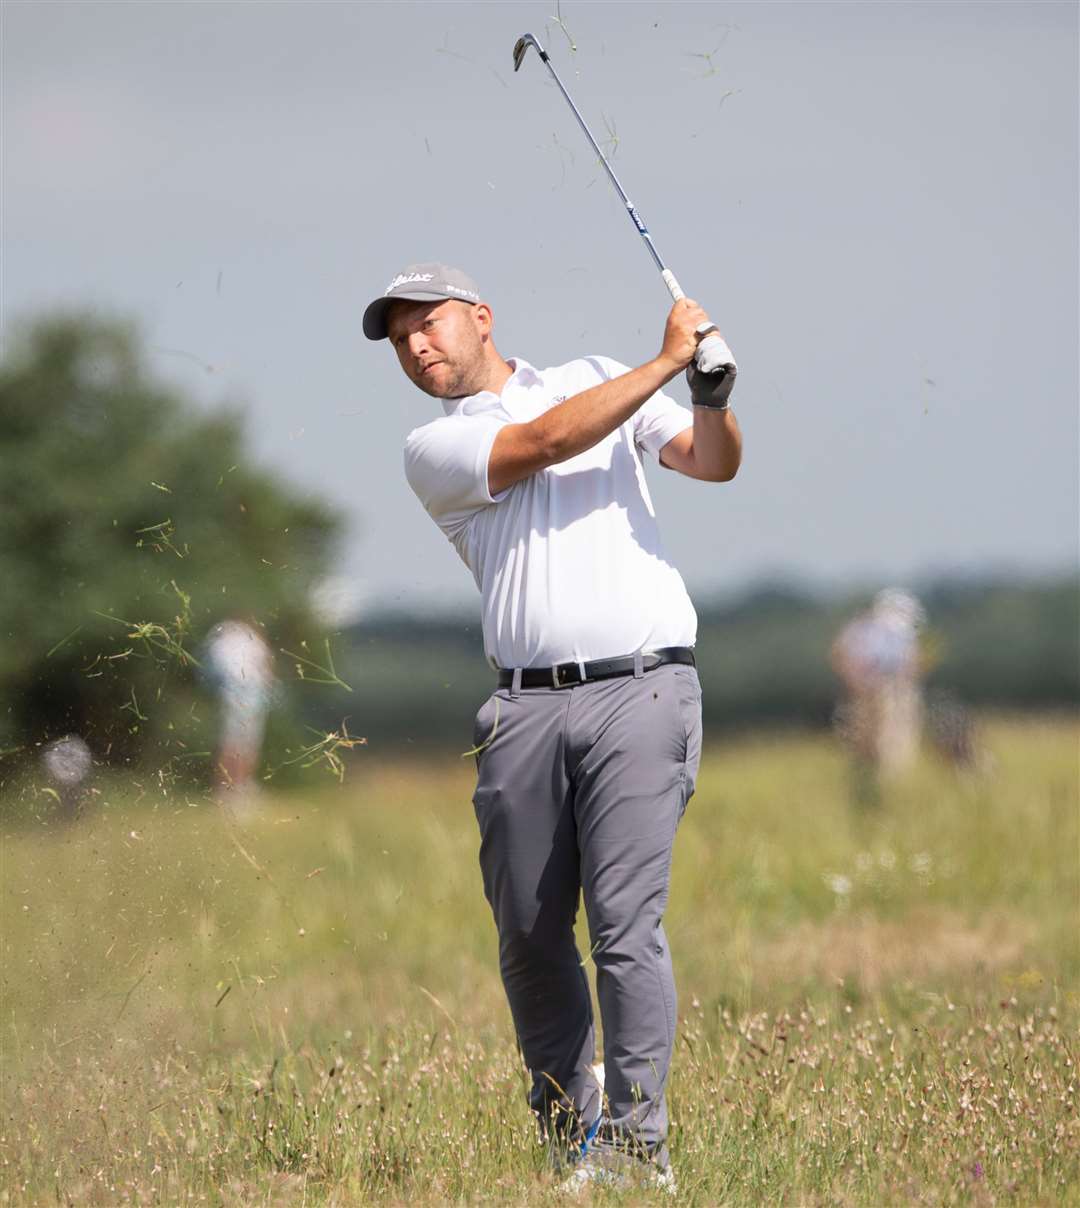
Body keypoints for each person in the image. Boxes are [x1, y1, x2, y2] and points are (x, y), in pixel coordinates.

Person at [363, 263, 742, 1191]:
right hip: (523, 707)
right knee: (530, 936)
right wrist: (665, 361)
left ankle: (636, 1145)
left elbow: (714, 461)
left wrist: (710, 394)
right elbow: (541, 441)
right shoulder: (434, 448)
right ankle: (572, 1133)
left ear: (480, 318)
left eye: (429, 323)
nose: (417, 346)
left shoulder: (595, 373)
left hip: (643, 690)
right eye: (400, 337)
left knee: (622, 925)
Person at [830, 588, 926, 793]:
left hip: (892, 689)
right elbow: (841, 656)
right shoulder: (861, 630)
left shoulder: (901, 632)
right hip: (871, 689)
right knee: (867, 742)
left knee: (893, 741)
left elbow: (912, 662)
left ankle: (889, 785)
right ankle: (876, 783)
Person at [201, 618, 276, 803]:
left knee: (248, 744)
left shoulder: (250, 640)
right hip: (236, 695)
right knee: (233, 744)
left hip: (252, 695)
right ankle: (226, 789)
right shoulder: (227, 641)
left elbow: (265, 665)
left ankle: (242, 786)